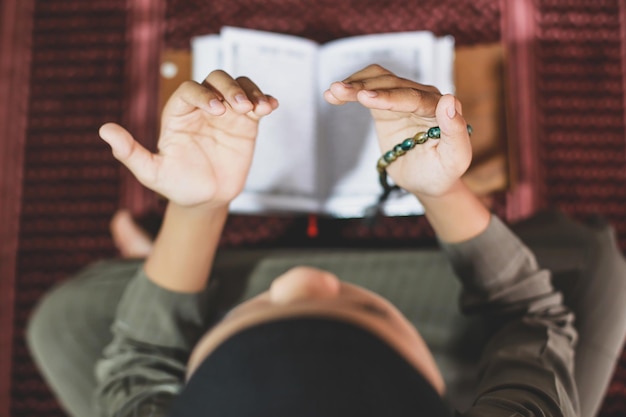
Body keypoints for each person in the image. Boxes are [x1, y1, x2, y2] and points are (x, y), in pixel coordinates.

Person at [26, 65, 626, 417]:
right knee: (592, 269)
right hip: (459, 345)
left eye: (262, 315)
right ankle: (220, 300)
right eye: (362, 309)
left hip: (392, 361)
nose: (303, 280)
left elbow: (136, 367)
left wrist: (199, 208)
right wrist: (441, 191)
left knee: (63, 323)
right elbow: (529, 313)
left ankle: (197, 291)